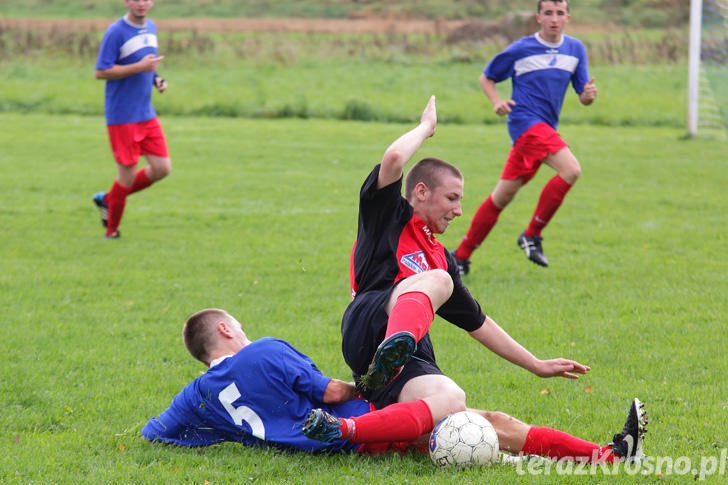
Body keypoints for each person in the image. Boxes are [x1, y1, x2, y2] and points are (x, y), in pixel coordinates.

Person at [337, 94, 644, 462]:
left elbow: (478, 322)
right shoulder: (388, 217)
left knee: (476, 416)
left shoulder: (441, 257)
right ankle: (390, 351)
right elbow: (394, 159)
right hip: (367, 322)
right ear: (421, 192)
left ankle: (608, 455)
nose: (459, 210)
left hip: (412, 359)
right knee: (438, 281)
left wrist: (536, 364)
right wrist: (425, 128)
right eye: (451, 198)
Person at [143, 308, 648, 463]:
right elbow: (333, 394)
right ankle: (607, 456)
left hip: (305, 443)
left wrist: (225, 434)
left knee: (477, 432)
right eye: (239, 323)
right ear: (228, 330)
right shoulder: (263, 351)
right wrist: (370, 381)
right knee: (484, 422)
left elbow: (155, 432)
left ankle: (594, 456)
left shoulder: (196, 397)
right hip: (354, 428)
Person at [452, 0, 597, 271]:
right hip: (524, 123)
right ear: (538, 17)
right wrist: (496, 102)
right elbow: (487, 77)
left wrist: (588, 96)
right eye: (548, 13)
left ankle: (460, 257)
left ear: (568, 17)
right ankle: (532, 235)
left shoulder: (575, 49)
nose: (554, 18)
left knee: (501, 197)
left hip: (543, 130)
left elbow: (583, 95)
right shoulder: (522, 48)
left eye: (560, 13)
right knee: (571, 170)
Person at [92, 0, 171, 239]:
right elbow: (101, 71)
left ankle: (109, 198)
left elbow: (147, 64)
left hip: (145, 113)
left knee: (161, 168)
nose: (141, 4)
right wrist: (139, 68)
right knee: (126, 174)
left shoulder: (151, 28)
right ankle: (111, 231)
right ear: (126, 2)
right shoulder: (116, 31)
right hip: (122, 115)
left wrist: (156, 78)